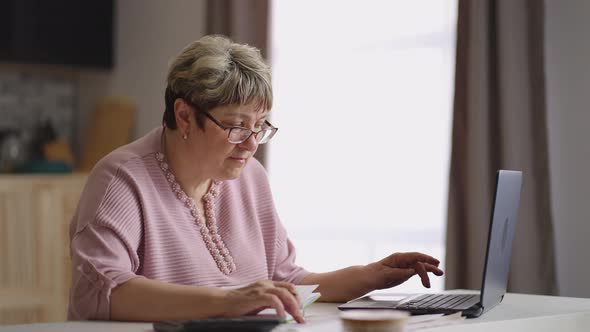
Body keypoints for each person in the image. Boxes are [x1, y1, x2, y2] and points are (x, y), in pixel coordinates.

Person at [68, 35, 443, 323]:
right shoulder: (121, 180)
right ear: (184, 116)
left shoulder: (250, 178)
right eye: (234, 126)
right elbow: (103, 292)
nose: (250, 144)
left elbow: (284, 279)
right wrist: (230, 300)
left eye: (259, 127)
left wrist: (371, 275)